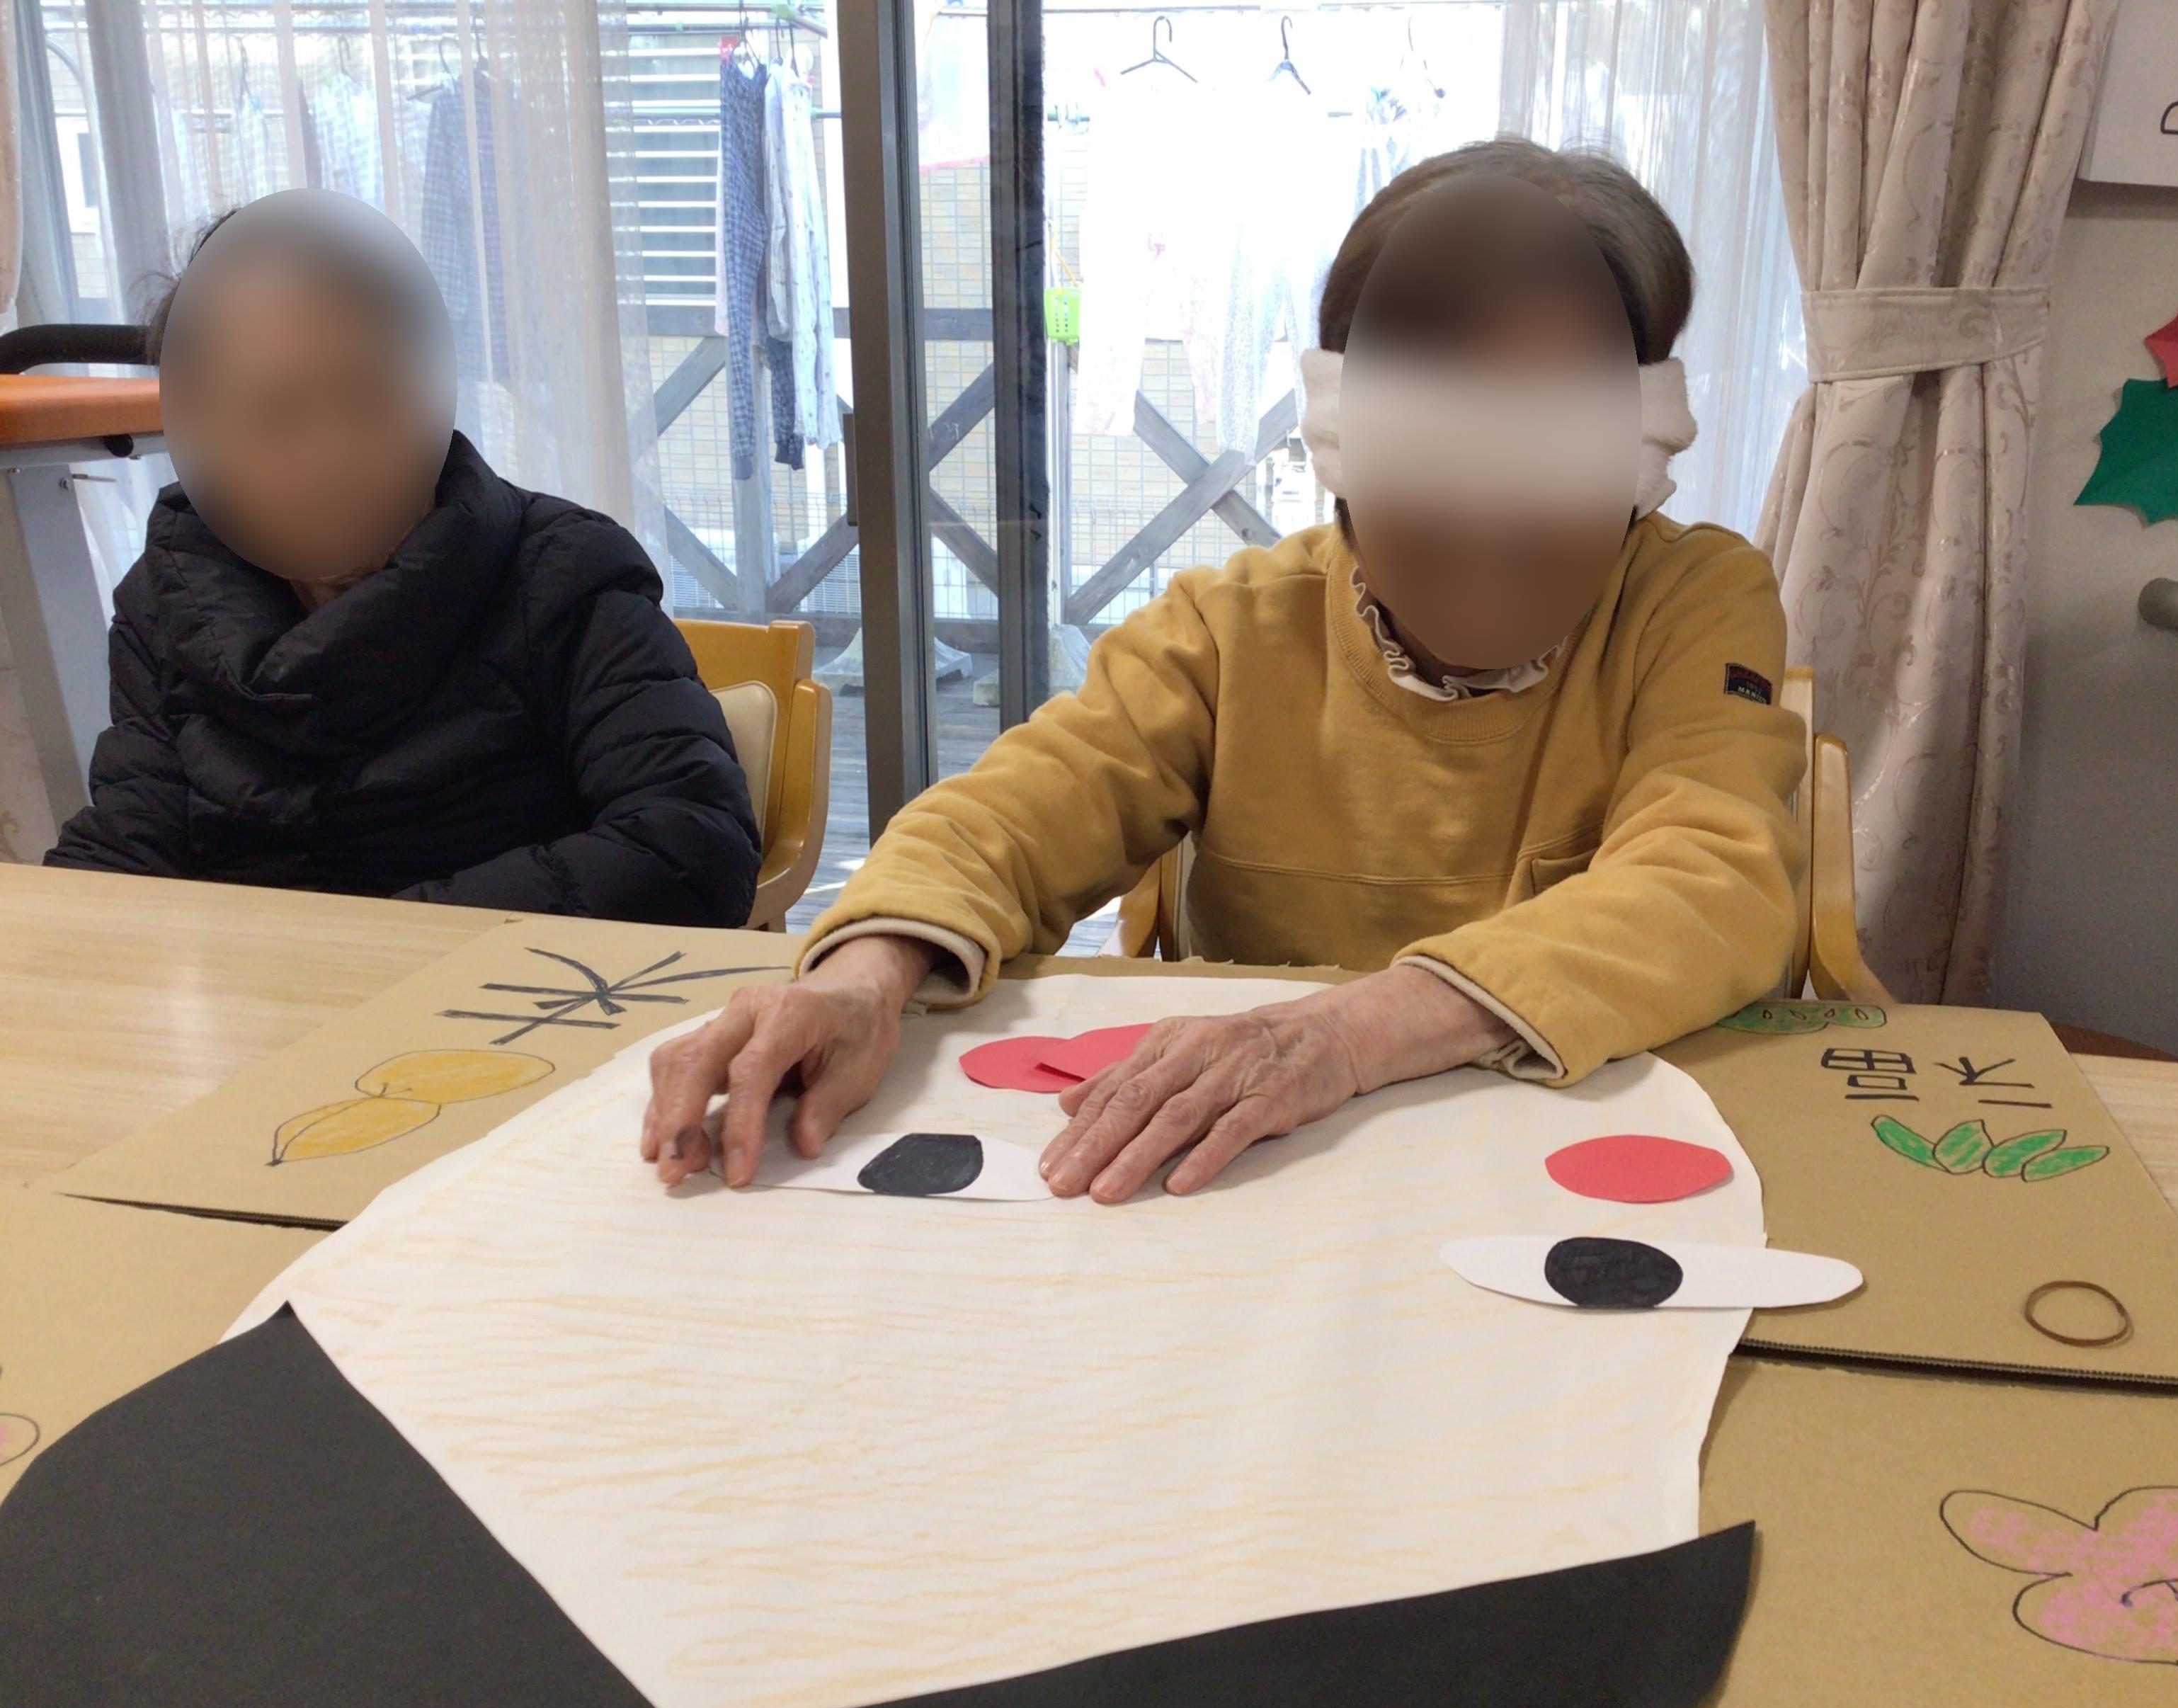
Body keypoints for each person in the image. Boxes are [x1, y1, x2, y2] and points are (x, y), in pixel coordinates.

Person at [645, 140, 1807, 1198]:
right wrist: (860, 977)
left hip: (1563, 1168)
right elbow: (1012, 814)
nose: (1489, 514)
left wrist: (1344, 1035)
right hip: (1253, 1185)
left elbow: (1710, 875)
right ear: (1342, 436)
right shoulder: (1231, 627)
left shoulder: (1688, 601)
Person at [46, 190, 761, 928]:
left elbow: (687, 845)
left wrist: (374, 944)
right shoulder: (165, 603)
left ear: (425, 386)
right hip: (264, 993)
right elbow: (130, 853)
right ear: (204, 431)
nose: (332, 456)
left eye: (367, 397)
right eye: (277, 416)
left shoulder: (566, 572)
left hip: (504, 988)